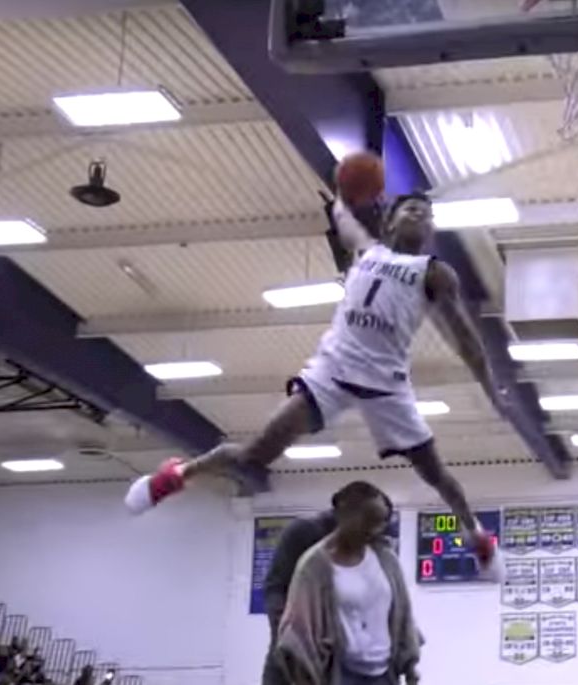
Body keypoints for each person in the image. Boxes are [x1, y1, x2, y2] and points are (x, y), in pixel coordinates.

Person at [125, 192, 508, 566]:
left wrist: (492, 391)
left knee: (434, 473)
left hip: (385, 383)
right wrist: (342, 192)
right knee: (254, 454)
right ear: (391, 218)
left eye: (427, 214)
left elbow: (467, 343)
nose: (421, 216)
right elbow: (344, 220)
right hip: (334, 370)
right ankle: (175, 475)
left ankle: (475, 534)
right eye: (412, 208)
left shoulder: (435, 272)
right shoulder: (367, 249)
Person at [274, 481, 420, 685]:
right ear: (344, 514)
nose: (375, 529)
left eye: (381, 522)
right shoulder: (315, 566)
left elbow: (403, 614)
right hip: (341, 674)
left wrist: (410, 665)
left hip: (385, 673)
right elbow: (297, 633)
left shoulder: (386, 559)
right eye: (369, 520)